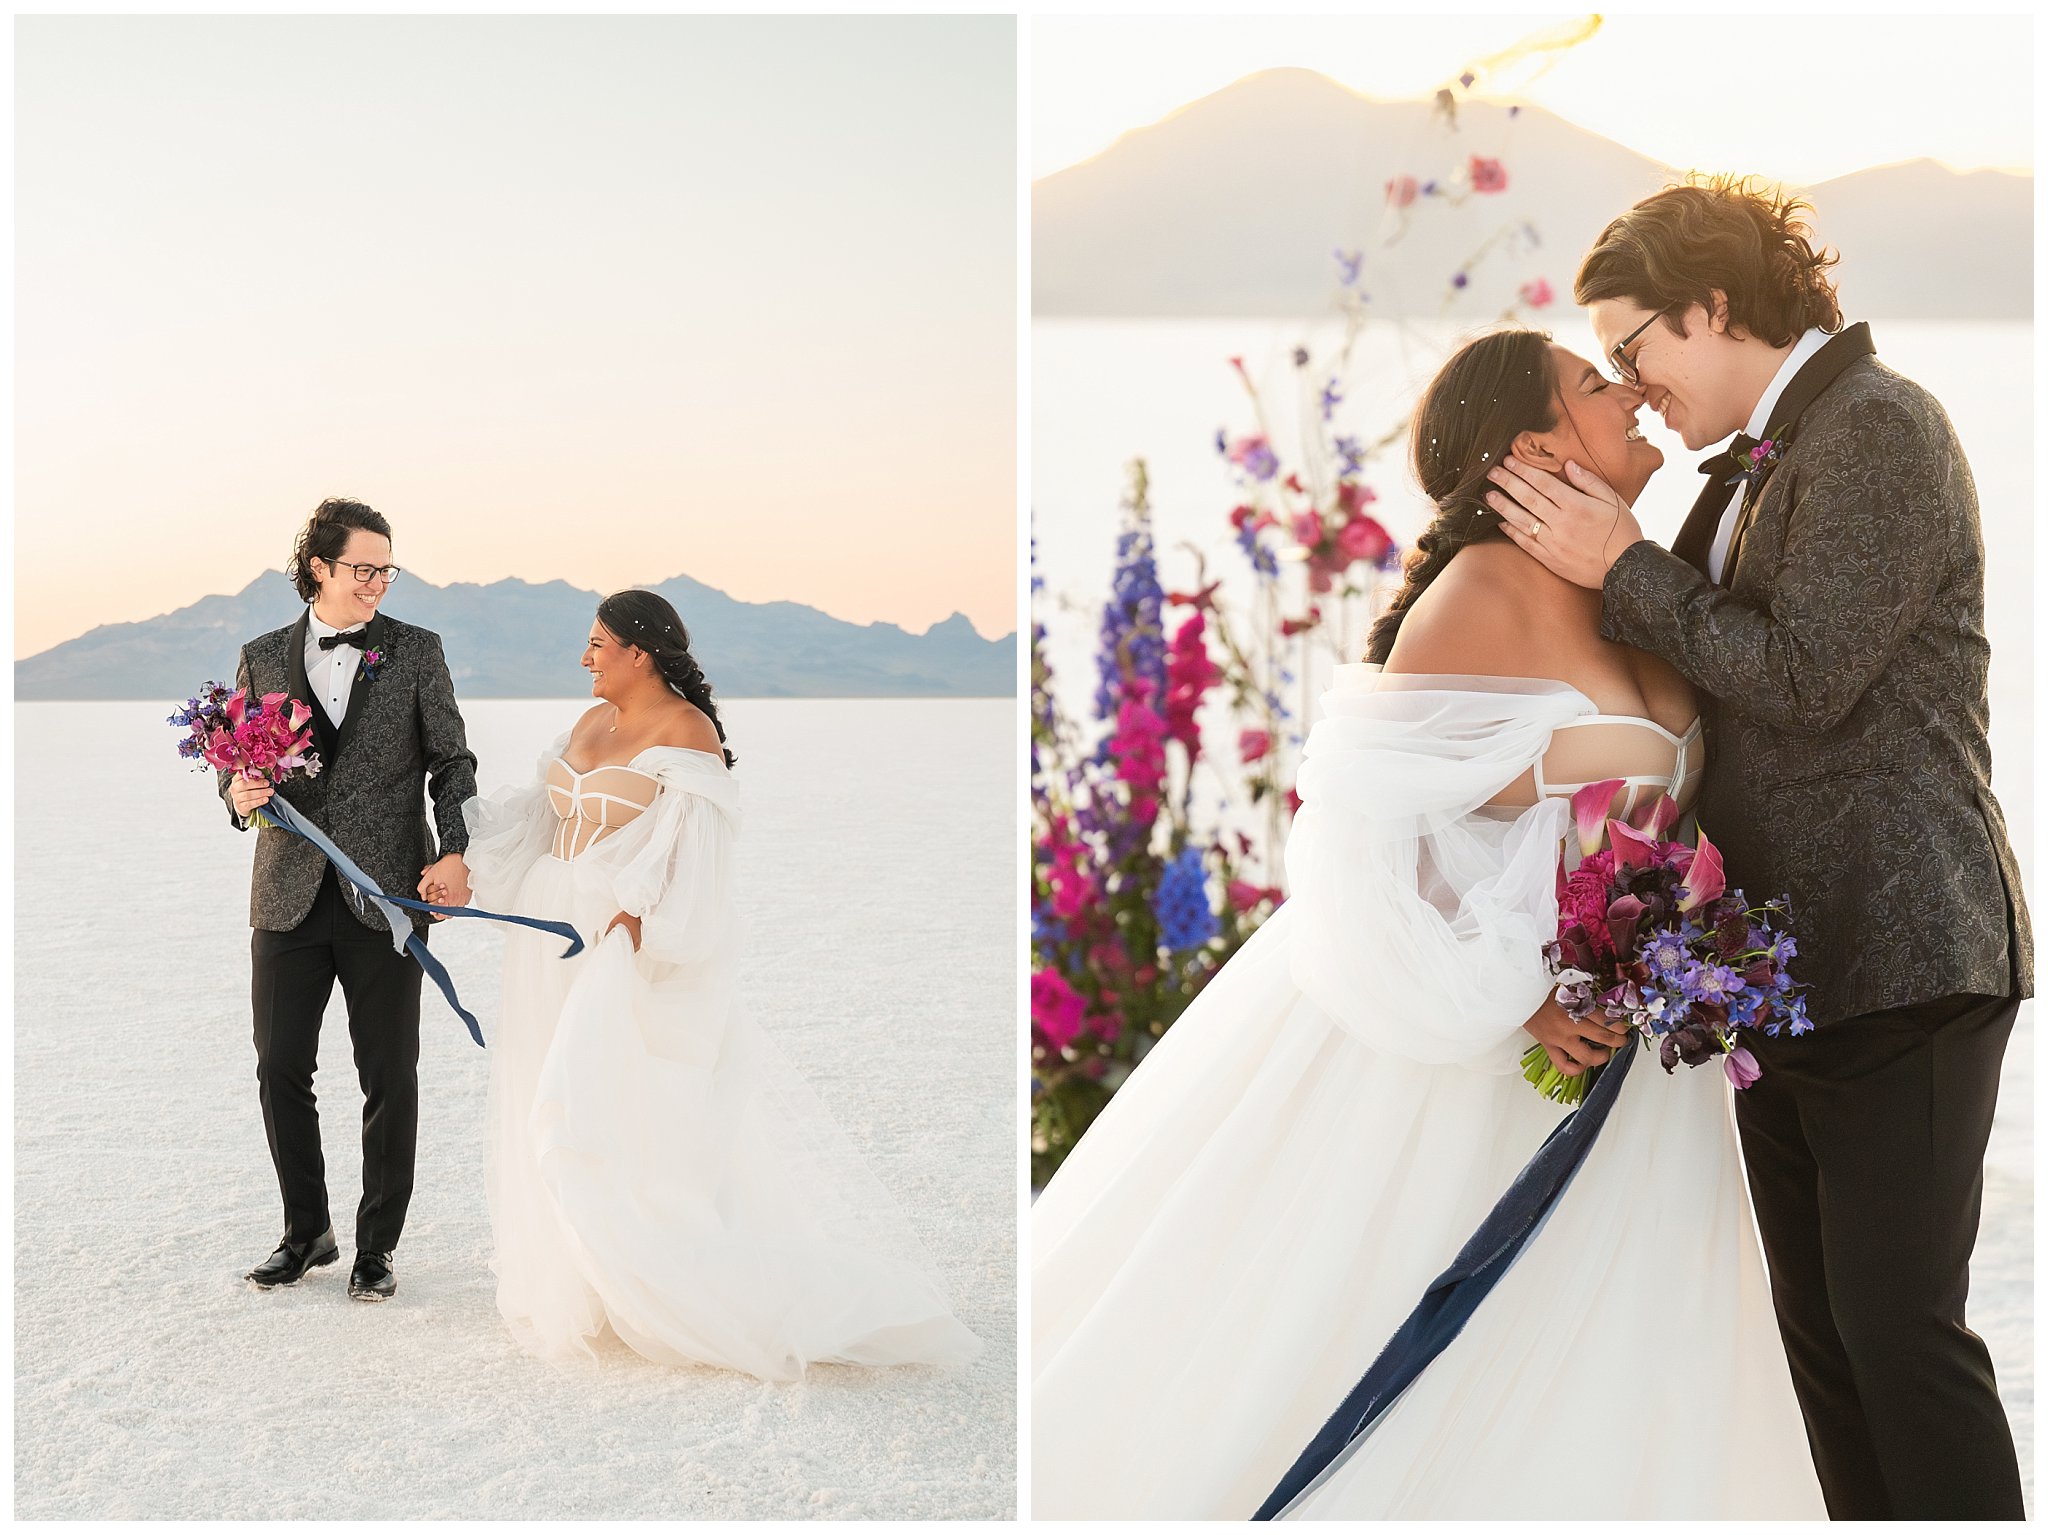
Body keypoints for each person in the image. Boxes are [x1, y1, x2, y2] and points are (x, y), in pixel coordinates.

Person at [1030, 327, 1825, 1518]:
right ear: (1533, 444)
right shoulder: (1480, 591)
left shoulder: (1637, 582)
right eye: (1595, 385)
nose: (1629, 397)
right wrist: (1519, 998)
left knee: (1624, 1361)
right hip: (1485, 1048)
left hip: (1638, 1063)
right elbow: (1356, 851)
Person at [1484, 174, 2030, 1520]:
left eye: (1638, 348)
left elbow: (1802, 675)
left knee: (1903, 1339)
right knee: (1828, 1348)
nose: (1636, 383)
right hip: (1786, 972)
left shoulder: (1880, 428)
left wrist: (1620, 556)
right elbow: (1684, 685)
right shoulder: (1747, 470)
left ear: (1713, 307)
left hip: (1907, 957)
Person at [457, 589, 981, 1379]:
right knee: (538, 1085)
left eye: (598, 644)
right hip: (547, 934)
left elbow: (693, 865)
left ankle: (654, 1278)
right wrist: (465, 866)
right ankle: (577, 1283)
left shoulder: (688, 732)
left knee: (585, 1108)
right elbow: (538, 820)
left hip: (616, 949)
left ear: (640, 651)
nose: (585, 657)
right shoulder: (588, 722)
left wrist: (631, 930)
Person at [221, 497, 477, 1302]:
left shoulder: (415, 650)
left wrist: (458, 850)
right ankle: (308, 1232)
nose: (378, 583)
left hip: (387, 895)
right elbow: (236, 775)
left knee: (389, 1074)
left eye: (386, 568)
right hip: (287, 894)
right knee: (279, 1068)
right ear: (319, 568)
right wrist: (240, 790)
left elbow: (452, 761)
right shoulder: (260, 656)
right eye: (364, 567)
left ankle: (377, 1248)